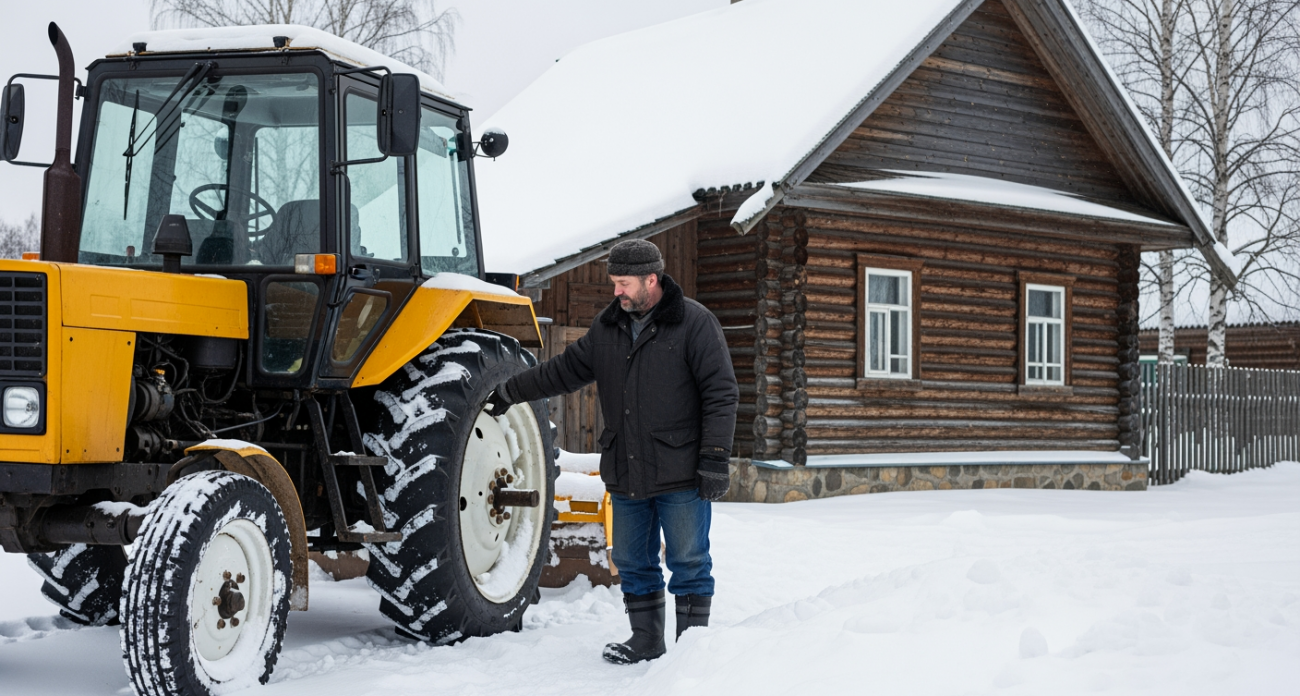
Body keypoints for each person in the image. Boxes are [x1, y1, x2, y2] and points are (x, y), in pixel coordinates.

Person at [485, 239, 739, 664]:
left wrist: (714, 457)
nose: (617, 292)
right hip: (626, 468)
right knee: (630, 559)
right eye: (614, 283)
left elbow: (722, 393)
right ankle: (646, 641)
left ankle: (694, 653)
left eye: (624, 283)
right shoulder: (607, 329)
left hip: (681, 470)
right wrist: (511, 391)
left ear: (651, 280)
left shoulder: (694, 323)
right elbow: (562, 372)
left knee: (689, 559)